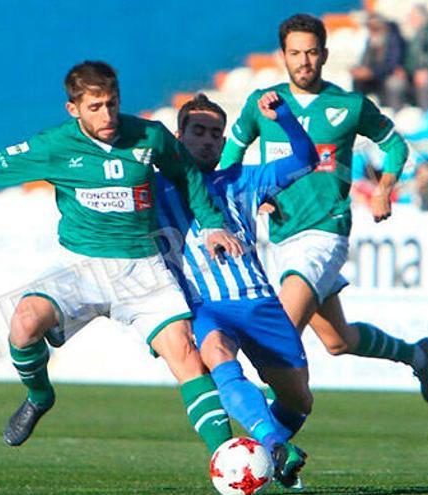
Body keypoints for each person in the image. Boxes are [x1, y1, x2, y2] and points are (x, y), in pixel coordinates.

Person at [0, 61, 242, 453]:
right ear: (74, 109)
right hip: (78, 265)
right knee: (24, 324)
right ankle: (38, 396)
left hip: (142, 268)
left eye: (113, 104)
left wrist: (214, 223)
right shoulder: (55, 145)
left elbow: (186, 174)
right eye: (96, 106)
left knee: (186, 355)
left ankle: (229, 459)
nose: (108, 115)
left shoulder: (149, 136)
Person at [219, 13, 428, 404]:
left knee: (279, 331)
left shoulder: (349, 105)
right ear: (282, 56)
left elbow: (395, 146)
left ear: (324, 54)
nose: (304, 61)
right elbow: (231, 160)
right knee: (339, 340)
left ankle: (272, 437)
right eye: (295, 53)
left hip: (326, 232)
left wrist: (384, 188)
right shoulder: (263, 105)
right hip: (283, 236)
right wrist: (250, 195)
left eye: (311, 53)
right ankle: (417, 354)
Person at [157, 92, 317, 488]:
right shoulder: (156, 189)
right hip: (207, 306)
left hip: (260, 304)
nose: (209, 140)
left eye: (216, 134)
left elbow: (306, 160)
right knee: (215, 354)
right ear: (179, 136)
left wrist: (284, 117)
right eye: (199, 131)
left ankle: (272, 448)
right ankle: (273, 445)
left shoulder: (242, 180)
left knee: (299, 401)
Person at [350, 13, 407, 111]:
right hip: (374, 76)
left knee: (393, 84)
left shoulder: (394, 39)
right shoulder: (371, 41)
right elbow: (365, 60)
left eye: (374, 27)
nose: (372, 30)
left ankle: (396, 112)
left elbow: (392, 64)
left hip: (388, 75)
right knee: (358, 81)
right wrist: (359, 70)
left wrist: (371, 72)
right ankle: (358, 111)